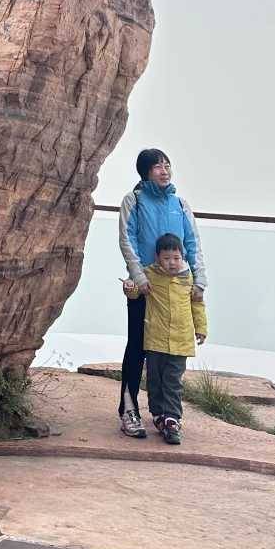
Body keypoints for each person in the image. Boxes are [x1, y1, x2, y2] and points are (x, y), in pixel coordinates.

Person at [116, 148, 207, 438]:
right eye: (157, 166)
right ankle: (129, 411)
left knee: (170, 356)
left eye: (167, 165)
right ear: (145, 171)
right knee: (138, 348)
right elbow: (127, 239)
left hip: (178, 289)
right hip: (146, 289)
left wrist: (199, 281)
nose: (164, 171)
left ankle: (166, 415)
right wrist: (139, 277)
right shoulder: (134, 200)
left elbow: (192, 243)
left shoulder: (180, 204)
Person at [123, 232, 207, 444]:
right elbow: (136, 292)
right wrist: (129, 288)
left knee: (173, 381)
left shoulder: (189, 278)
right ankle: (158, 414)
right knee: (154, 380)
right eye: (167, 258)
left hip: (181, 341)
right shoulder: (149, 274)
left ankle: (172, 418)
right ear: (157, 257)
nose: (172, 263)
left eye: (176, 258)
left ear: (183, 257)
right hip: (156, 340)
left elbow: (197, 304)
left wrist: (201, 328)